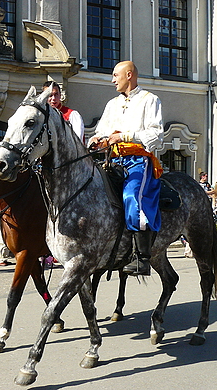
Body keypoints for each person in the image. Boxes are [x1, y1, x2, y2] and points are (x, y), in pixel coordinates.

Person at [89, 61, 164, 276]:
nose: (113, 80)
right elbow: (101, 131)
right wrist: (97, 141)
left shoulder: (150, 100)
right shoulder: (112, 104)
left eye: (116, 75)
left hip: (138, 162)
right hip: (113, 161)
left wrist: (125, 136)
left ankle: (142, 259)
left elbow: (156, 135)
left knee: (132, 197)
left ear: (129, 75)